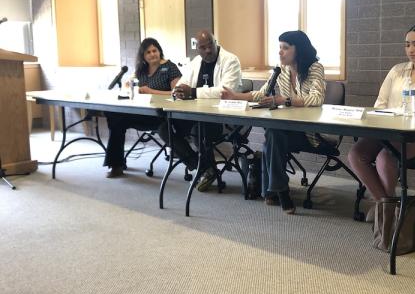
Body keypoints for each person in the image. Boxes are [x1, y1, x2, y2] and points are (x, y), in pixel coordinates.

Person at [347, 24, 415, 220]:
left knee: (385, 156)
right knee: (356, 154)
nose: (411, 50)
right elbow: (379, 104)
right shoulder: (397, 71)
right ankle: (386, 204)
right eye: (407, 45)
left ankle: (385, 211)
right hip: (388, 132)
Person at [221, 30, 326, 214]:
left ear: (298, 50)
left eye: (285, 48)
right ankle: (281, 190)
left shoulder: (314, 68)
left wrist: (285, 100)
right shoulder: (282, 70)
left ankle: (273, 190)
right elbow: (263, 93)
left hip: (308, 133)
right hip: (286, 129)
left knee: (272, 136)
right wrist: (235, 96)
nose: (280, 52)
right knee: (273, 133)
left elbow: (316, 98)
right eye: (279, 47)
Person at [158, 29, 242, 191]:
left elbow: (225, 91)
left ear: (216, 42)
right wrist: (179, 91)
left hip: (221, 118)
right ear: (197, 49)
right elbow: (183, 85)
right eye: (203, 48)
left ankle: (206, 169)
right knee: (164, 128)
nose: (208, 50)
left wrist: (193, 92)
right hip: (195, 115)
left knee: (199, 129)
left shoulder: (231, 60)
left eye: (210, 45)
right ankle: (201, 166)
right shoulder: (196, 61)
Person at [104, 38, 182, 178]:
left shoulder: (170, 67)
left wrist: (150, 91)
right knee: (115, 118)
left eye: (155, 50)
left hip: (161, 115)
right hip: (142, 112)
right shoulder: (141, 70)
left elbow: (177, 93)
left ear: (159, 51)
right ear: (143, 56)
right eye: (148, 52)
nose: (152, 54)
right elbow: (132, 87)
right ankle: (116, 165)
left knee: (117, 120)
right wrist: (129, 86)